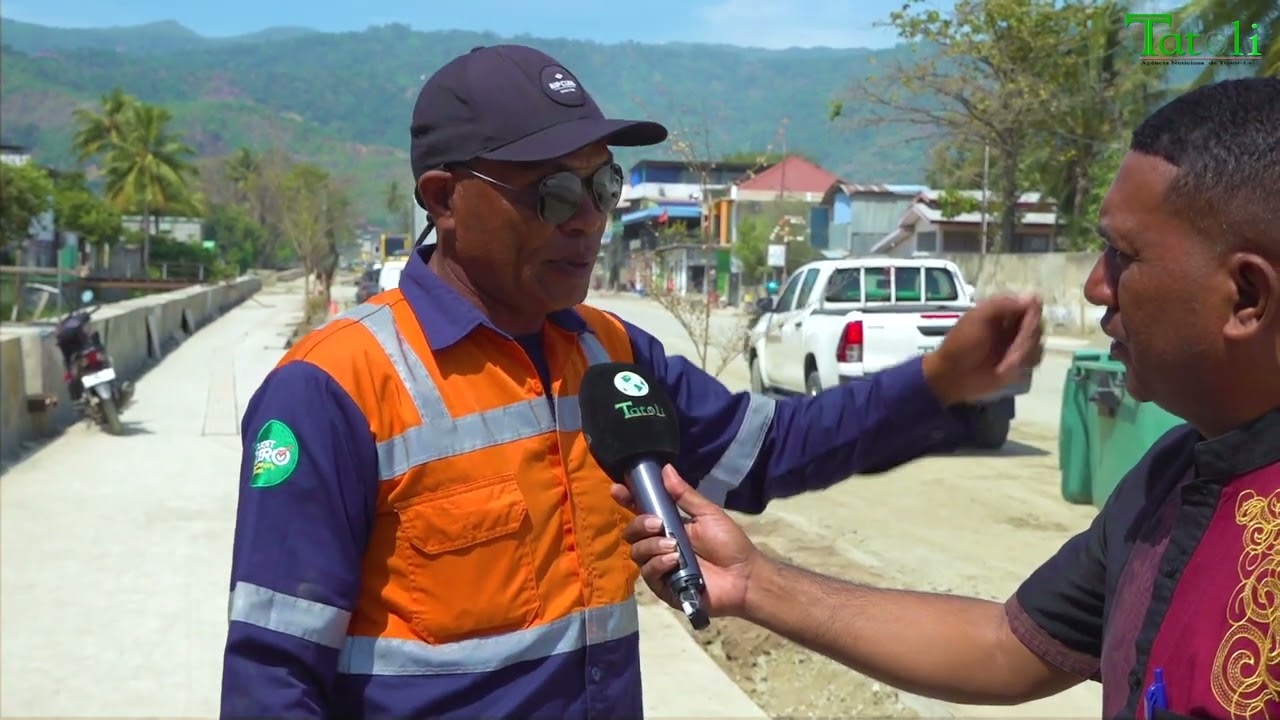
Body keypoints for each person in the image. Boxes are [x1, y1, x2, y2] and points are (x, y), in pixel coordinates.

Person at [219, 44, 1046, 720]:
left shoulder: (611, 355)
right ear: (445, 199)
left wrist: (938, 381)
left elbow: (768, 451)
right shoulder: (331, 389)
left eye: (602, 185)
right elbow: (272, 679)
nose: (588, 218)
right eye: (553, 192)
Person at [619, 76, 1280, 720]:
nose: (1095, 288)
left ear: (1247, 297)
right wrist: (757, 583)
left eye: (1122, 255)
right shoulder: (1169, 478)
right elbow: (1005, 648)